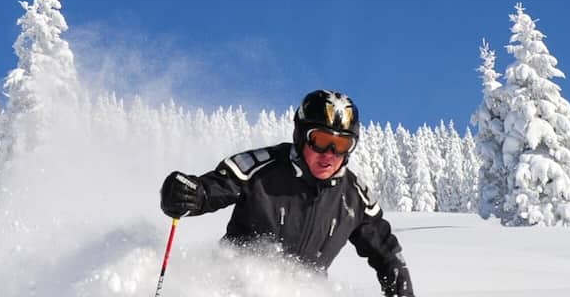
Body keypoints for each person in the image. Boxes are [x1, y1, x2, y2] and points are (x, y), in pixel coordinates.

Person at [159, 90, 413, 296]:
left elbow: (387, 252)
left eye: (342, 144)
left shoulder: (354, 197)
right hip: (228, 288)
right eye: (321, 140)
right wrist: (188, 193)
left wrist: (400, 284)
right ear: (301, 135)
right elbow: (212, 189)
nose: (329, 154)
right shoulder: (262, 167)